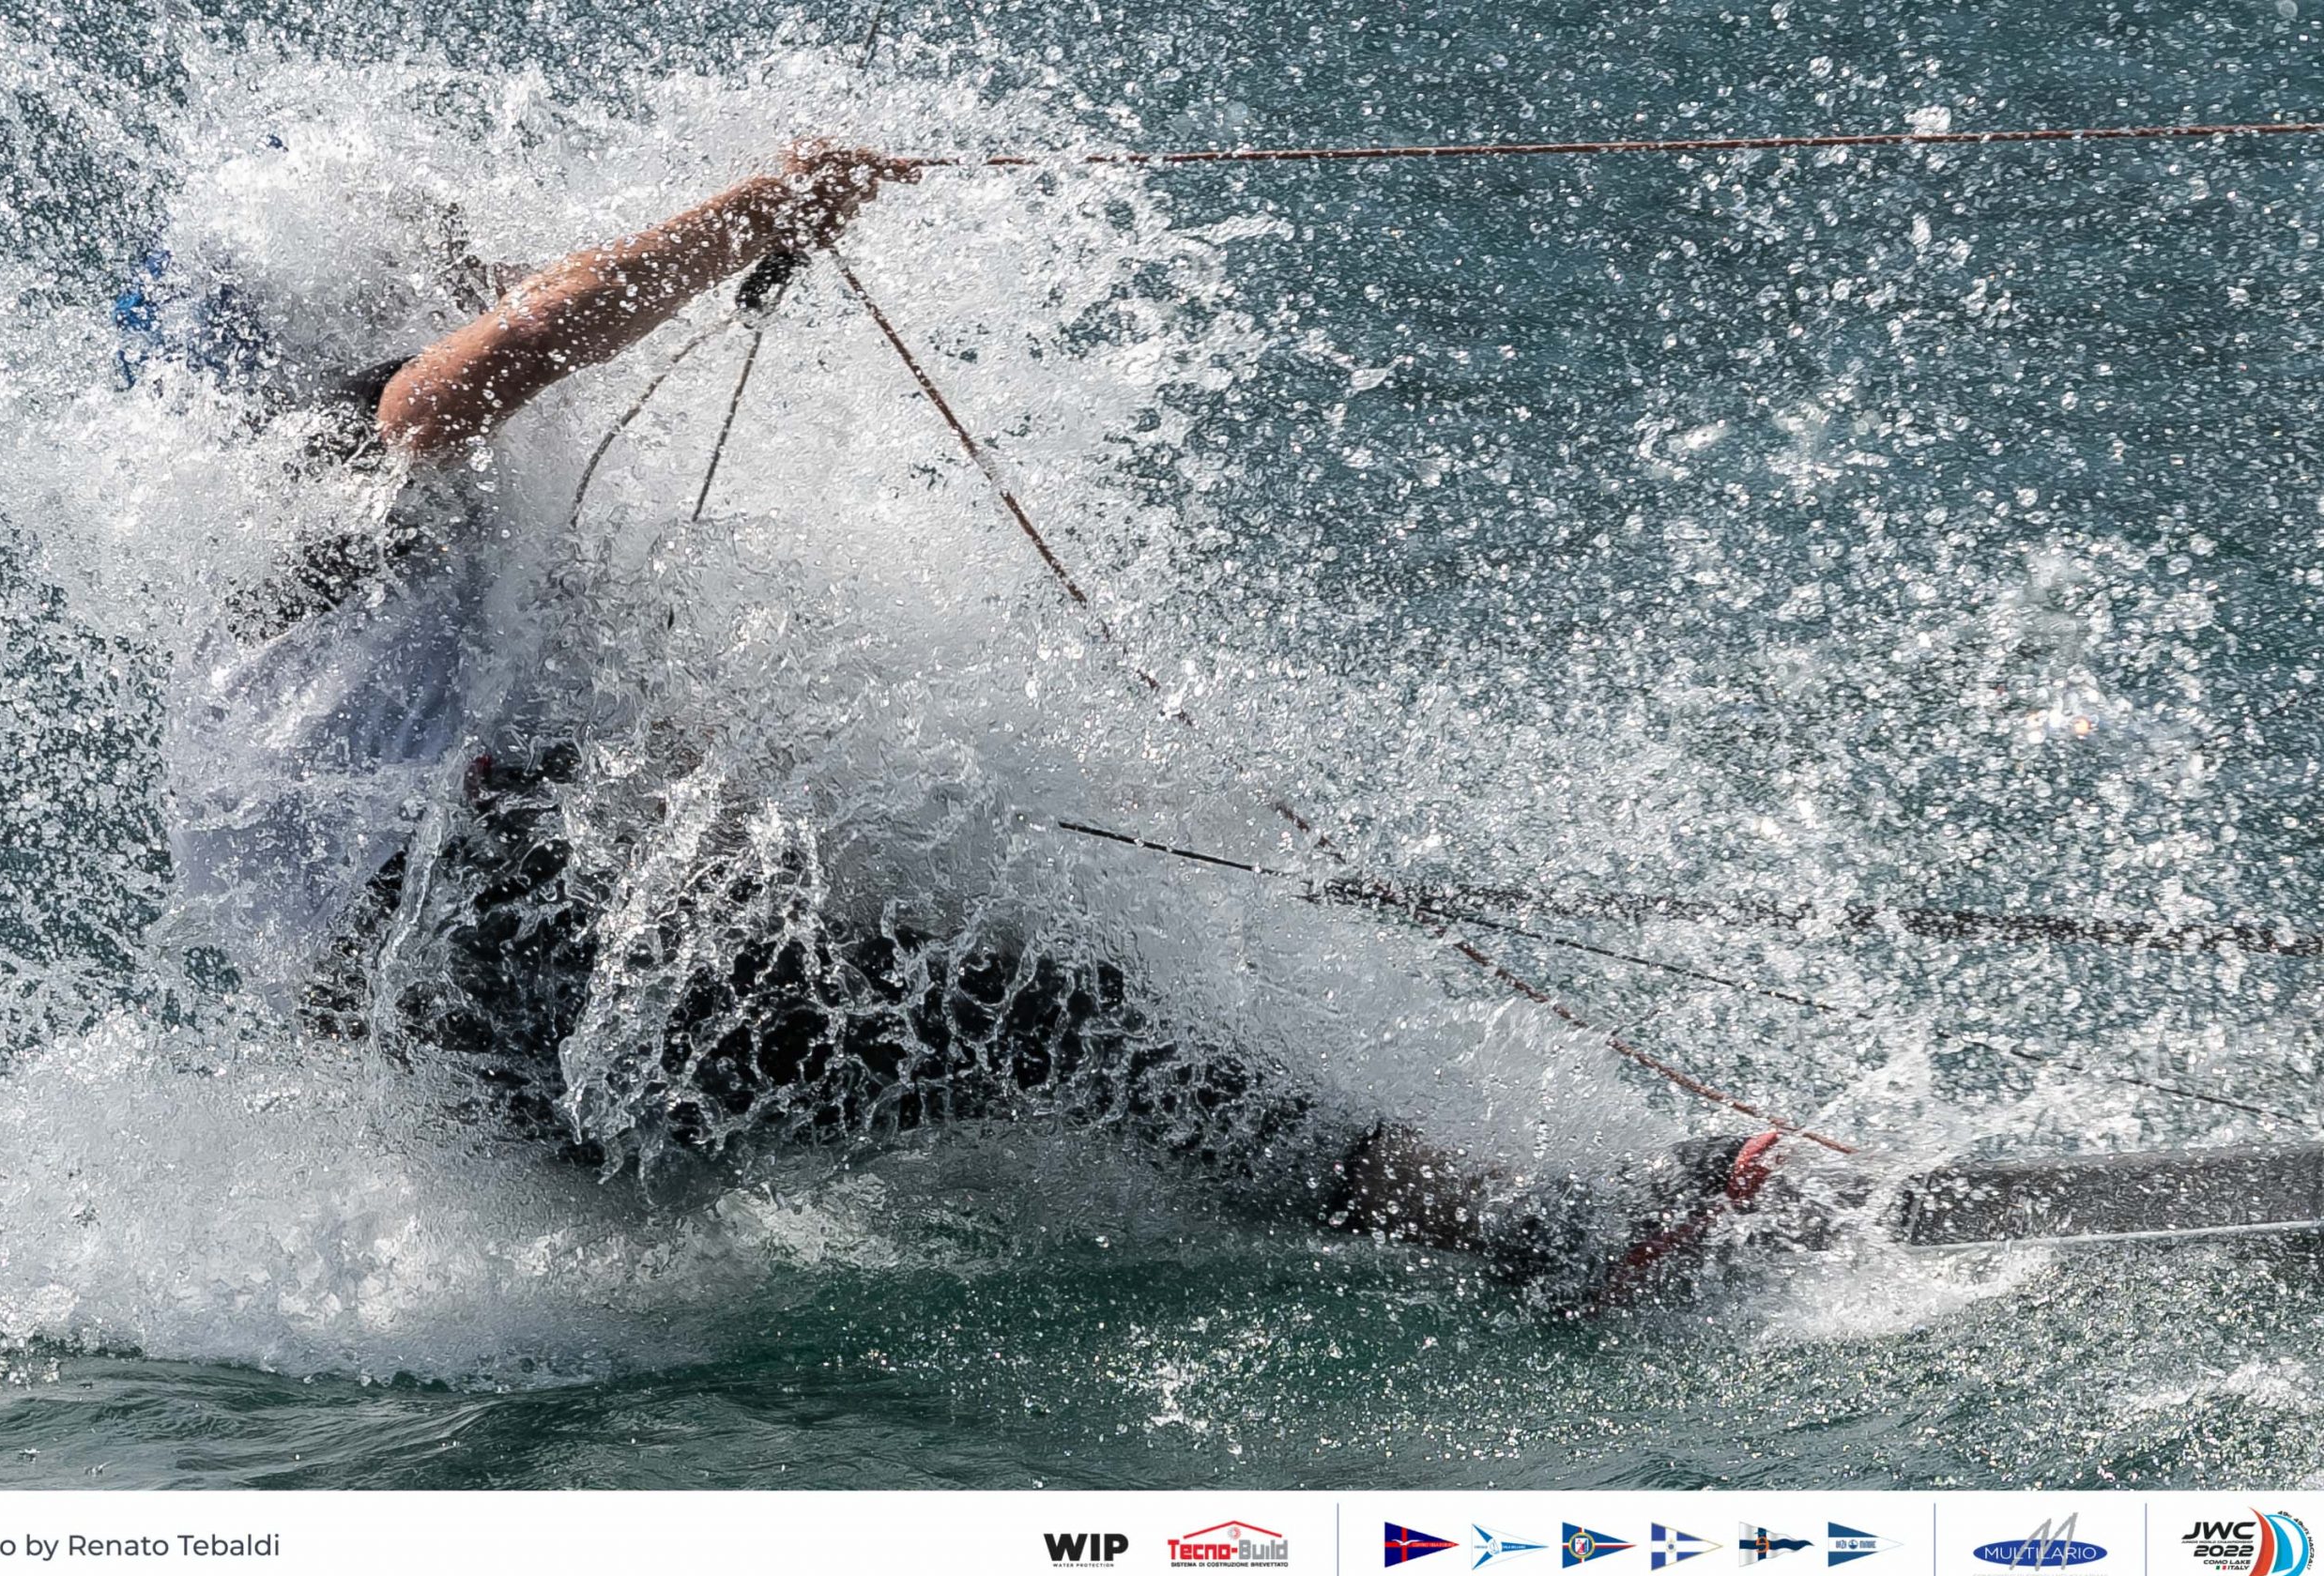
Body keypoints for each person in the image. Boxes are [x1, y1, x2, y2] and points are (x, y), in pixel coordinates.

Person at [145, 140, 1780, 1304]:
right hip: (495, 991)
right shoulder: (321, 469)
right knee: (1058, 1018)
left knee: (964, 983)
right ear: (330, 311)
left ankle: (1413, 1193)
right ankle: (1518, 1235)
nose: (467, 270)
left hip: (471, 1034)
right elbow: (481, 366)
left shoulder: (298, 564)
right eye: (428, 256)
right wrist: (748, 214)